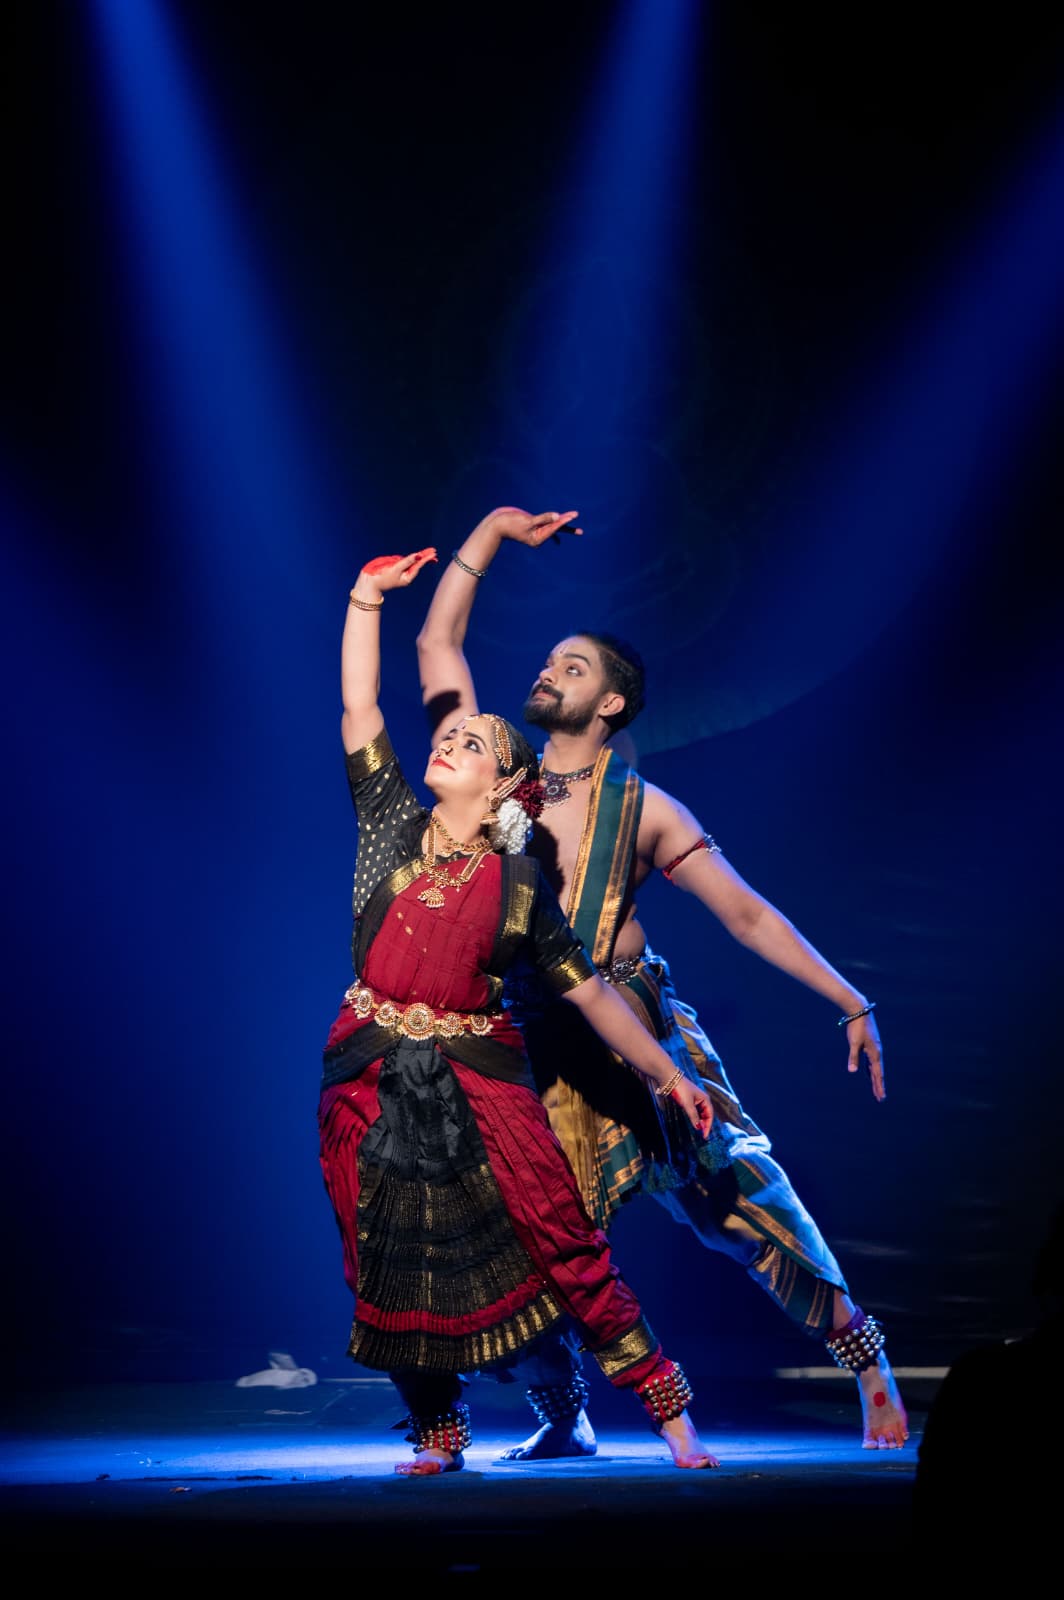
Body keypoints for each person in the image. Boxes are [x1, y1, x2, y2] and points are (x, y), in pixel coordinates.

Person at [415, 505, 911, 1458]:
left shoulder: (646, 809)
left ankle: (868, 1362)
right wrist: (488, 537)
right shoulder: (491, 776)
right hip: (528, 1038)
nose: (548, 672)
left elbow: (747, 915)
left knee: (735, 1208)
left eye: (572, 668)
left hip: (634, 1024)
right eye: (548, 661)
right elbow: (439, 644)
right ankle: (563, 1414)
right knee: (514, 1235)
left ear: (610, 704)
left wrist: (850, 999)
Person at [318, 545, 721, 1476]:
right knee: (384, 1248)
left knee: (562, 1238)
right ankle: (438, 1430)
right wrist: (365, 599)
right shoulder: (390, 823)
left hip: (484, 1079)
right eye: (450, 737)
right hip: (367, 1073)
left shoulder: (521, 888)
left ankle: (668, 1412)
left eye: (472, 745)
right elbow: (359, 706)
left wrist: (670, 1075)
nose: (448, 744)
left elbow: (591, 992)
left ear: (503, 787)